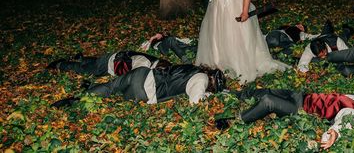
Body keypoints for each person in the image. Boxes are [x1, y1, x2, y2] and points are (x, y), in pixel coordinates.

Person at [216, 88, 354, 150]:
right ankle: (234, 93)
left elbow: (343, 123)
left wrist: (333, 134)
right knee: (267, 90)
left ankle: (236, 120)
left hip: (300, 108)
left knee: (268, 101)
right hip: (301, 96)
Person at [52, 64, 226, 107]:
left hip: (143, 73)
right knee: (117, 98)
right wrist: (208, 96)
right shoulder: (201, 80)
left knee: (111, 87)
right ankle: (87, 95)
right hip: (146, 91)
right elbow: (195, 101)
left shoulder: (194, 68)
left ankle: (77, 98)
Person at [46, 50, 169, 76]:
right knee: (85, 70)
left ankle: (82, 58)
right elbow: (130, 78)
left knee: (94, 62)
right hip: (108, 64)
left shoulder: (152, 61)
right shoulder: (144, 65)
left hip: (112, 58)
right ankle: (59, 64)